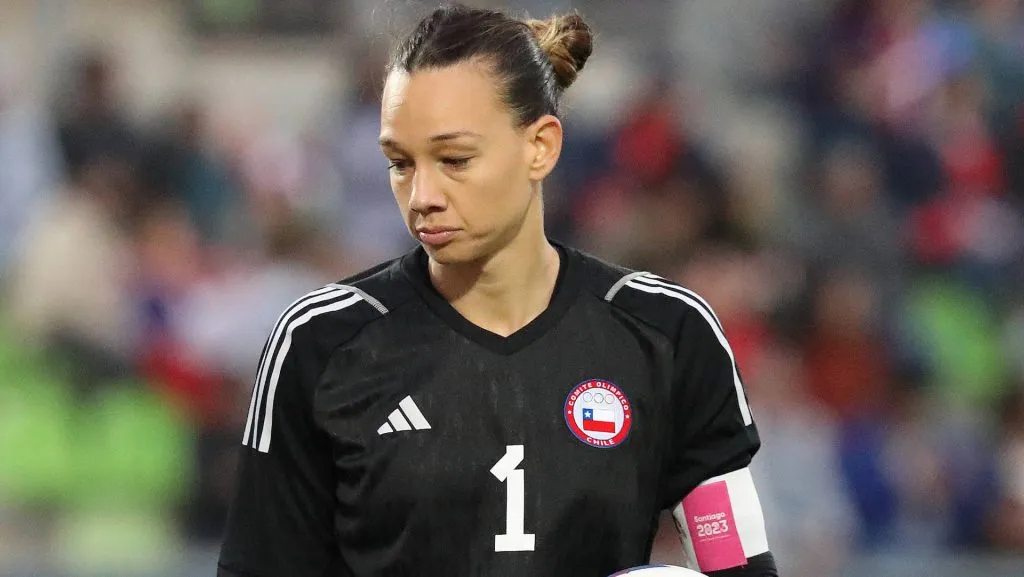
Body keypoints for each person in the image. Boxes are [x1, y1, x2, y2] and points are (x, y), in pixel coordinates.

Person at [217, 4, 779, 576]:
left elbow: (738, 564)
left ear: (540, 147)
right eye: (400, 163)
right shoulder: (321, 344)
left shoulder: (667, 333)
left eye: (455, 159)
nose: (422, 196)